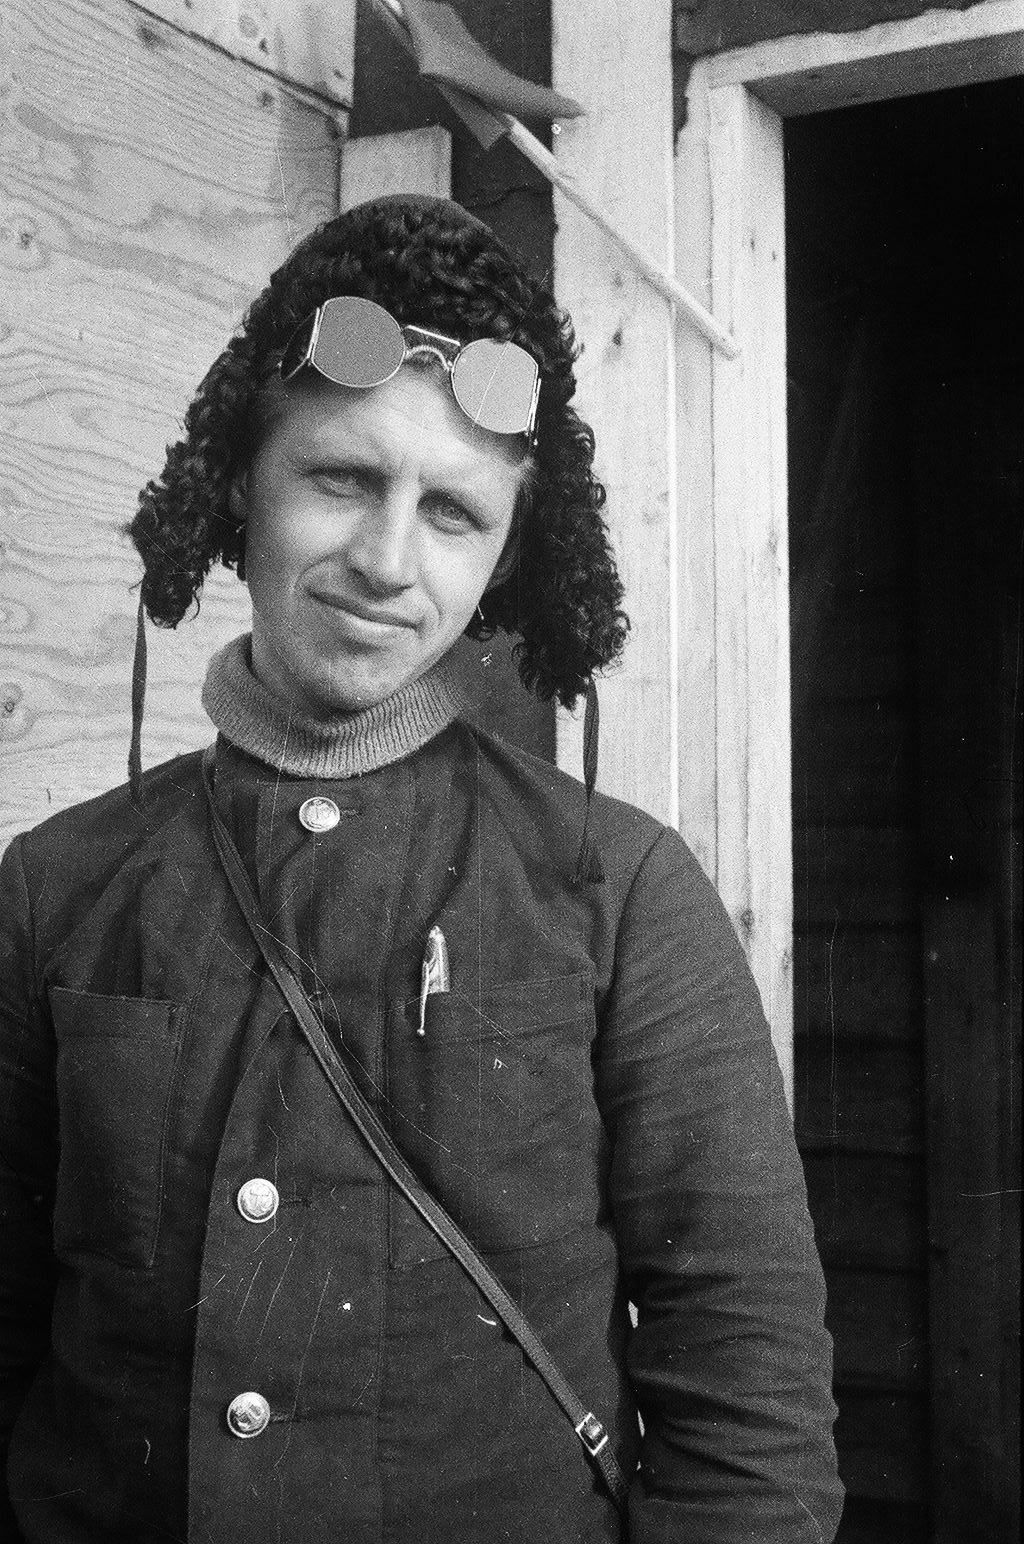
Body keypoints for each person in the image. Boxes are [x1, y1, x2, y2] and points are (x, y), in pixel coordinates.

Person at [0, 194, 842, 1543]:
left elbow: (753, 1408)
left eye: (453, 511)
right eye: (342, 479)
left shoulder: (620, 890)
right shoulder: (58, 884)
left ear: (507, 556)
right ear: (242, 480)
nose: (388, 562)